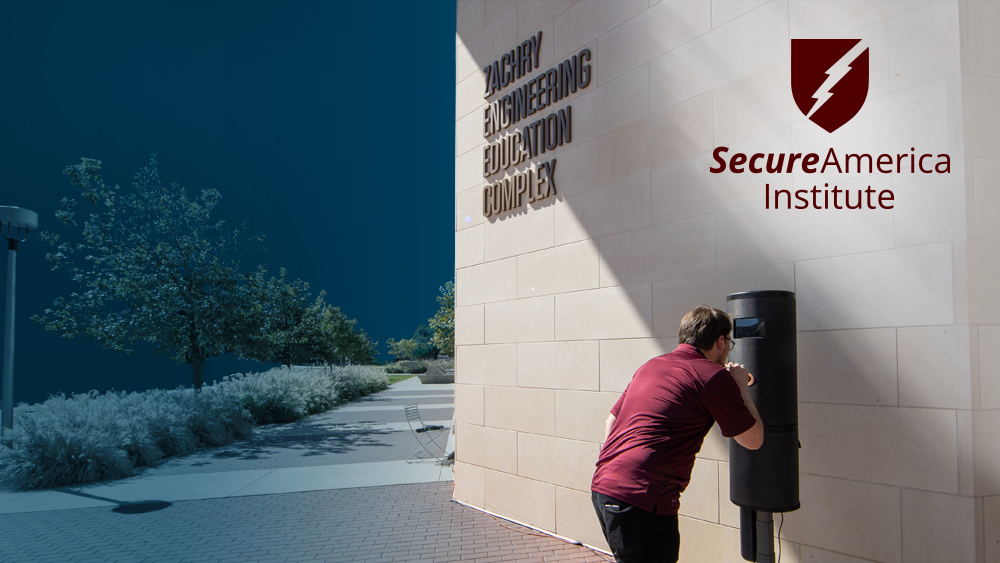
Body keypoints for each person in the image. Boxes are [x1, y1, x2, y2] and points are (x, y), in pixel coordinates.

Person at [591, 305, 763, 563]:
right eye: (729, 342)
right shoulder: (712, 375)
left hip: (604, 489)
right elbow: (754, 439)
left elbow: (611, 421)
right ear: (720, 341)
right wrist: (740, 386)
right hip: (643, 501)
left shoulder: (651, 365)